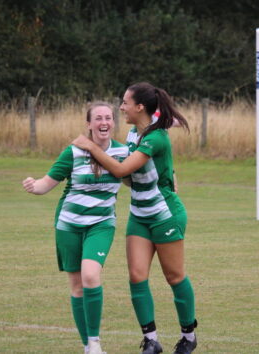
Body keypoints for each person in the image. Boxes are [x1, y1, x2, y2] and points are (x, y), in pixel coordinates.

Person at [72, 82, 198, 354]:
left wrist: (91, 147)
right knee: (137, 276)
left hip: (166, 215)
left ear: (139, 107)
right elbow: (129, 176)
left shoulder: (156, 139)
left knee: (174, 277)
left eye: (125, 102)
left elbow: (120, 170)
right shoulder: (133, 133)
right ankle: (151, 340)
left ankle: (189, 337)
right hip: (139, 215)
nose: (121, 107)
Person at [22, 102, 129, 354]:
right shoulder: (72, 152)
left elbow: (139, 180)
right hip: (68, 226)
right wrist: (32, 185)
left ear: (113, 123)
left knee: (91, 276)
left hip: (101, 225)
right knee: (77, 287)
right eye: (98, 118)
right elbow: (46, 184)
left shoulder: (124, 152)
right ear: (89, 124)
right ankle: (88, 347)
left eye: (109, 118)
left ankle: (95, 342)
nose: (104, 122)